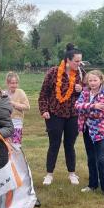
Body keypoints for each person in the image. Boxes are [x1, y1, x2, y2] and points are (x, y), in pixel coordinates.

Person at [38, 43, 84, 186]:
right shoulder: (53, 72)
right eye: (76, 61)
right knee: (54, 144)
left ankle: (72, 173)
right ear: (68, 60)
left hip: (73, 114)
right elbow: (43, 93)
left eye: (80, 61)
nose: (79, 63)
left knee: (70, 144)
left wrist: (81, 89)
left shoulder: (81, 74)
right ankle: (49, 174)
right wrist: (44, 110)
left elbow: (88, 93)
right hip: (55, 114)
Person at [75, 70, 104, 196]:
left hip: (100, 130)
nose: (92, 83)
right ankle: (92, 184)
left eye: (95, 80)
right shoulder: (85, 92)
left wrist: (85, 108)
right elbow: (77, 106)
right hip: (87, 129)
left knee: (100, 158)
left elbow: (99, 113)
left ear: (101, 80)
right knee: (91, 158)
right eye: (90, 80)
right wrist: (92, 106)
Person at [5, 71, 30, 148]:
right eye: (12, 83)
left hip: (17, 123)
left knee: (16, 146)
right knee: (6, 146)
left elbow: (27, 106)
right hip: (6, 123)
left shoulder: (20, 92)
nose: (14, 85)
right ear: (7, 83)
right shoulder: (3, 94)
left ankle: (18, 160)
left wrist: (14, 104)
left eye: (16, 83)